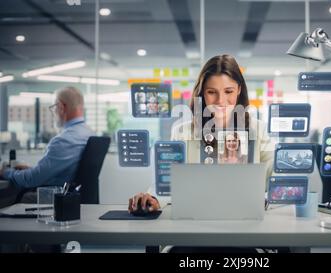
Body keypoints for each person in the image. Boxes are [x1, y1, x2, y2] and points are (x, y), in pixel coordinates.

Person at [129, 54, 274, 214]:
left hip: (245, 218)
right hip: (196, 219)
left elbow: (275, 180)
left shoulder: (257, 129)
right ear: (203, 94)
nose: (220, 100)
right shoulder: (183, 132)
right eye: (212, 92)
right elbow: (169, 180)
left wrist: (263, 198)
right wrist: (153, 199)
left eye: (228, 91)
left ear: (239, 90)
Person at [0, 86, 95, 206]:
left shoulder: (64, 140)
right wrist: (30, 169)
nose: (54, 112)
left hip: (56, 197)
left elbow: (31, 180)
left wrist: (6, 172)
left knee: (9, 199)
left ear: (61, 107)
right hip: (71, 196)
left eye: (54, 107)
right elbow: (58, 171)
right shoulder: (89, 133)